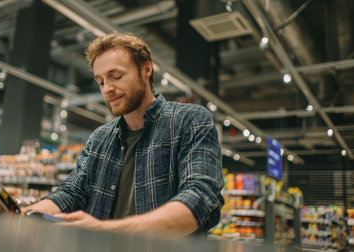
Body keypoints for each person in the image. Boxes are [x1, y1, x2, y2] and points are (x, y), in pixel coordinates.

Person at [22, 32, 224, 236]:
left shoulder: (189, 120)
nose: (107, 89)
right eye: (100, 82)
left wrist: (107, 229)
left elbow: (200, 197)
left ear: (146, 69)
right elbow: (72, 191)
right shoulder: (100, 138)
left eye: (116, 76)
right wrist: (27, 213)